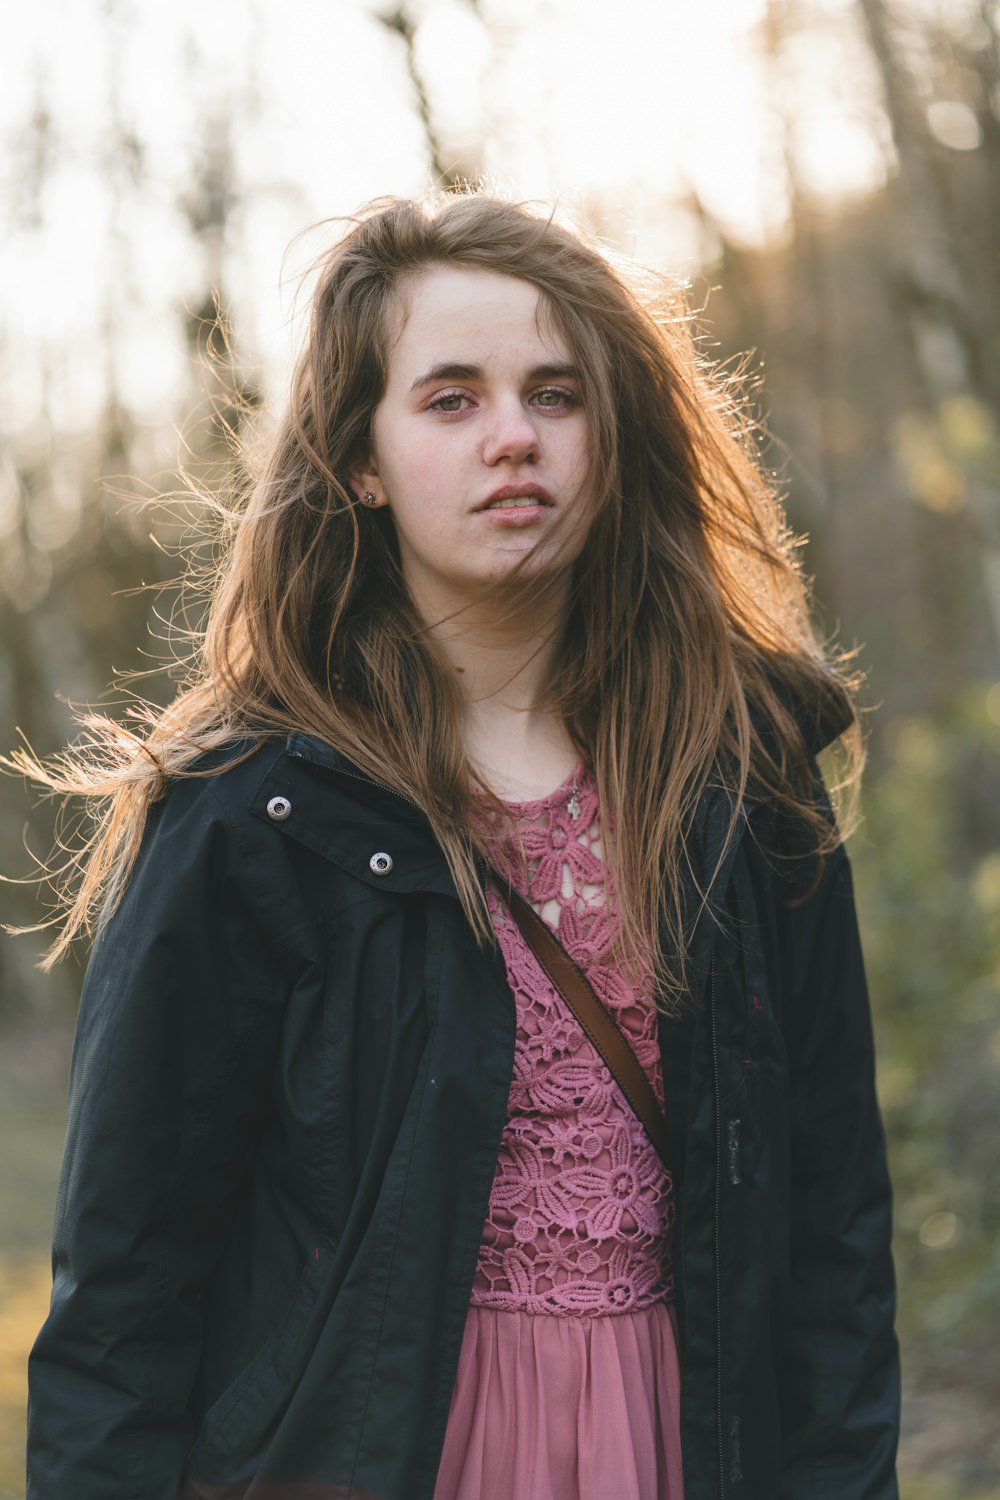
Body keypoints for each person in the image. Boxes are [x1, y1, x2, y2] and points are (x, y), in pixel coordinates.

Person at [9, 189, 900, 1500]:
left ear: (612, 430)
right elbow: (126, 1292)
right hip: (373, 1454)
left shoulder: (743, 773)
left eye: (555, 393)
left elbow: (834, 1228)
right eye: (450, 399)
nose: (513, 440)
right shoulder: (246, 815)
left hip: (687, 1440)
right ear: (362, 460)